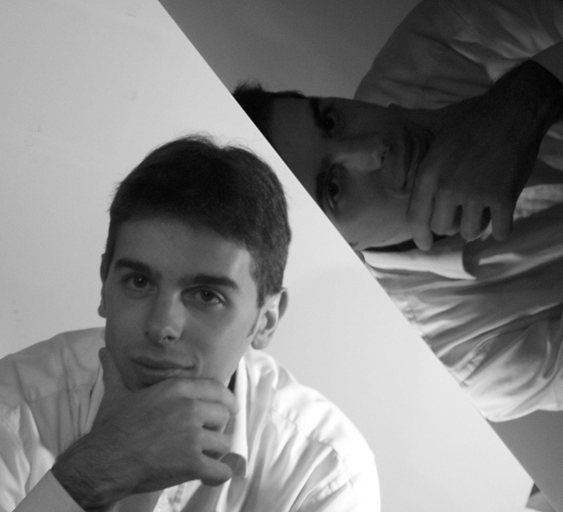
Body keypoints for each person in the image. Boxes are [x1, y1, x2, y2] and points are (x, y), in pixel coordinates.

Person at [234, 0, 563, 421]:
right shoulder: (464, 355)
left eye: (331, 120)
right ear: (344, 250)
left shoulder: (448, 36)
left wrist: (532, 97)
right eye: (334, 189)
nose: (374, 150)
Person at [0, 136, 380, 512]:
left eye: (207, 296)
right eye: (139, 282)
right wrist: (92, 473)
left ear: (266, 320)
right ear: (104, 284)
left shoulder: (323, 471)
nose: (161, 326)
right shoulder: (12, 408)